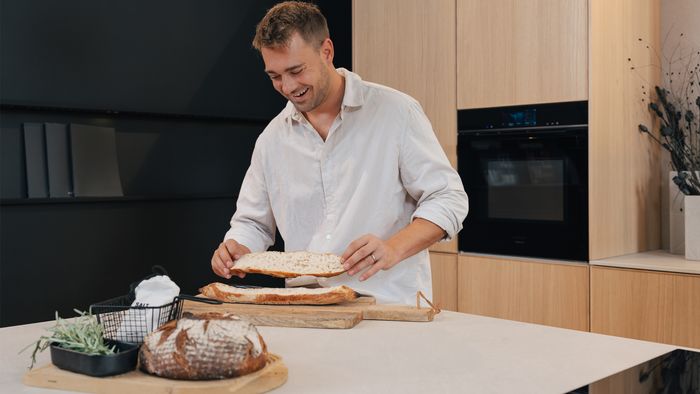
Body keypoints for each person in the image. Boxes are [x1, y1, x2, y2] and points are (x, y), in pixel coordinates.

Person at [210, 1, 468, 305]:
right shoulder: (271, 140)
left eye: (296, 70)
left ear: (327, 51)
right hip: (306, 307)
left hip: (387, 306)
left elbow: (448, 198)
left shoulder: (396, 112)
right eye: (275, 76)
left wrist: (393, 247)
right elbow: (252, 223)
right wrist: (235, 246)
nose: (288, 86)